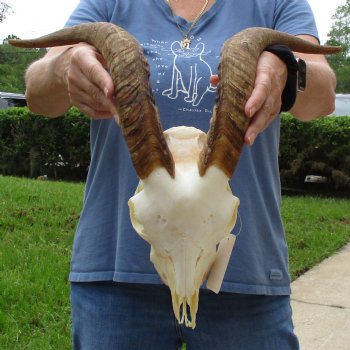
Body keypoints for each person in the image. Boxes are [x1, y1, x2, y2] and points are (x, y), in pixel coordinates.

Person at [24, 0, 336, 349]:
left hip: (244, 279)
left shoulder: (278, 4)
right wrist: (63, 67)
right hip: (117, 279)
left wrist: (288, 69)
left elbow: (322, 96)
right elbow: (38, 94)